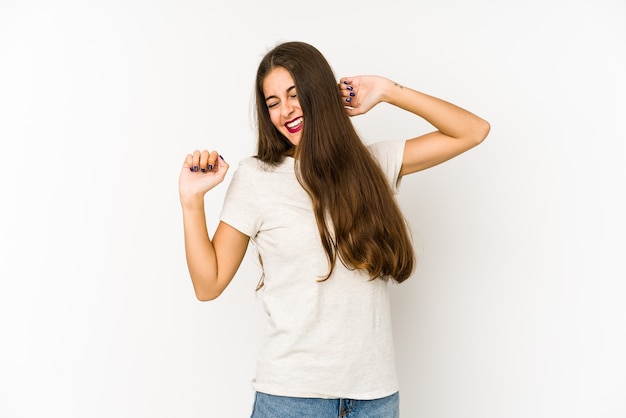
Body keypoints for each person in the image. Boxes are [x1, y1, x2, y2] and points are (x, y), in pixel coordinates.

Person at [178, 41, 490, 418]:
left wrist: (388, 91)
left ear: (320, 94)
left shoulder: (373, 164)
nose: (285, 111)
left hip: (375, 398)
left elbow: (472, 131)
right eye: (273, 102)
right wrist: (192, 201)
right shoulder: (256, 178)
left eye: (295, 95)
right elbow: (208, 284)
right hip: (292, 399)